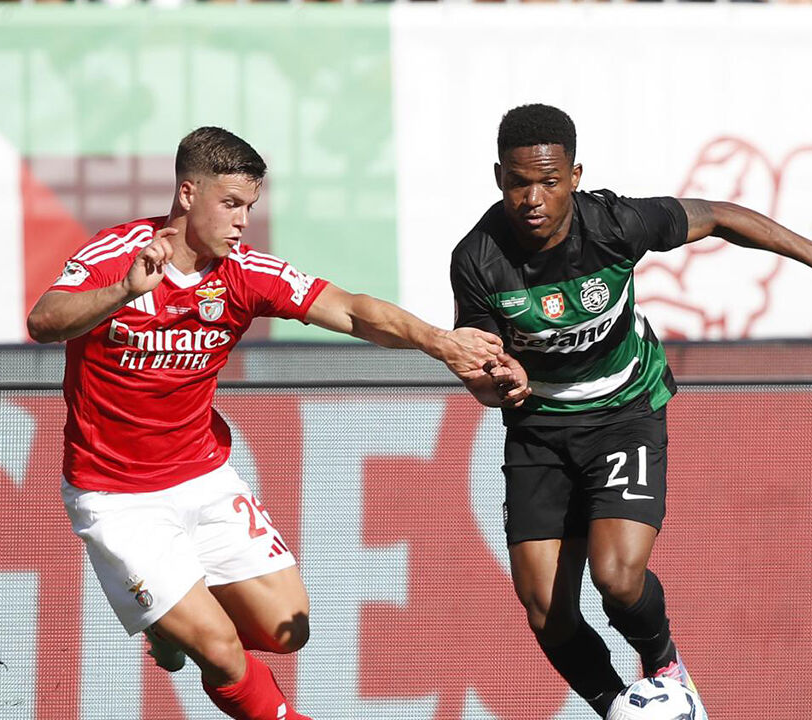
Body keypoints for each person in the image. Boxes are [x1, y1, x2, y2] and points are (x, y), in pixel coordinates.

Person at [27, 127, 502, 720]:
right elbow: (44, 322)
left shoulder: (245, 273)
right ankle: (205, 644)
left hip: (204, 477)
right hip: (117, 496)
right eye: (230, 204)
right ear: (186, 193)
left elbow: (353, 310)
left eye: (250, 207)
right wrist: (124, 291)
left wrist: (441, 342)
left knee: (287, 631)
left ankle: (175, 628)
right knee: (223, 652)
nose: (242, 221)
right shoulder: (118, 254)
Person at [450, 103, 812, 717]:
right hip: (538, 429)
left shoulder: (615, 225)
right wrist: (499, 384)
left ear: (575, 176)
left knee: (617, 578)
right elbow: (479, 371)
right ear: (498, 179)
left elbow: (719, 215)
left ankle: (666, 668)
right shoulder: (477, 259)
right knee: (545, 610)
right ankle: (626, 709)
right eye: (518, 183)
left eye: (549, 181)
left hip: (625, 409)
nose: (532, 198)